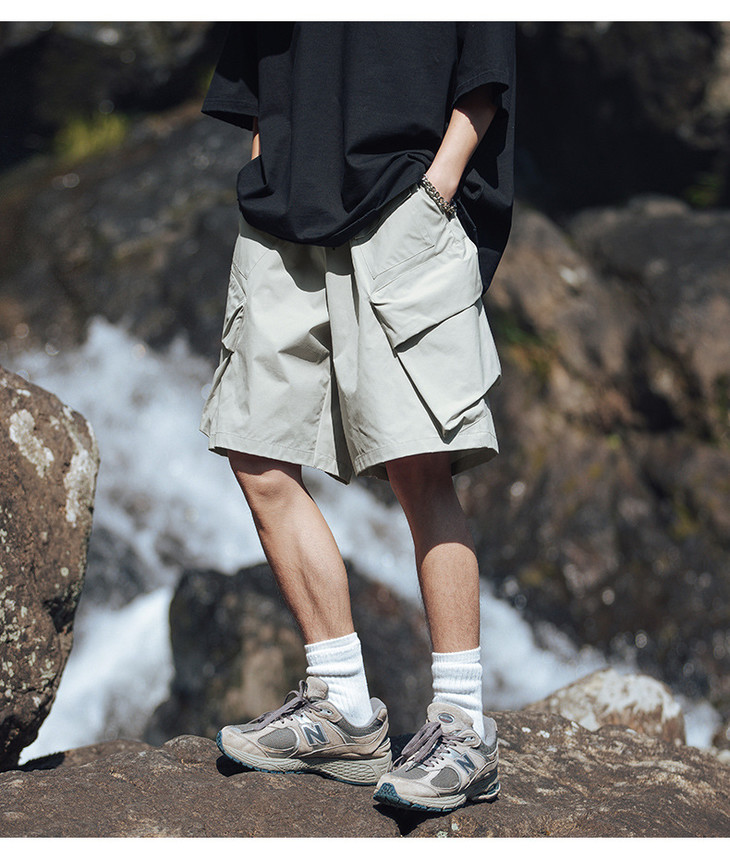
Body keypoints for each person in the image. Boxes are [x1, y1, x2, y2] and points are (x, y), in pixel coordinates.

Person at [199, 22, 515, 813]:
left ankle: (463, 729)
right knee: (255, 453)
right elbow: (255, 72)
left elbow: (485, 67)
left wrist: (438, 188)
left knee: (419, 465)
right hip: (279, 219)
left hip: (403, 205)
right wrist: (263, 168)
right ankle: (340, 704)